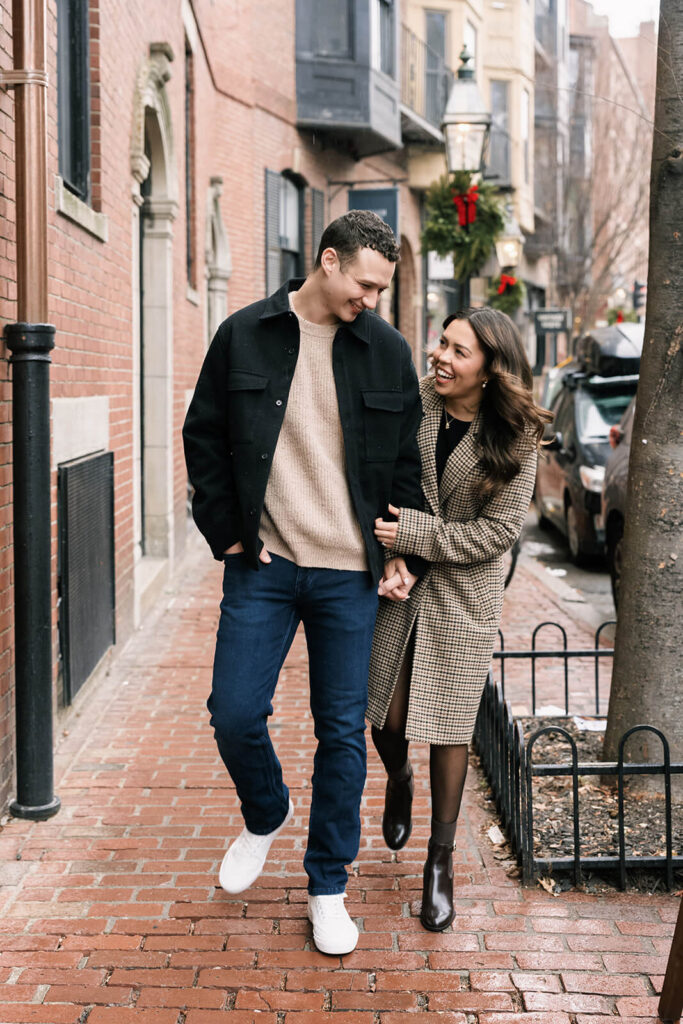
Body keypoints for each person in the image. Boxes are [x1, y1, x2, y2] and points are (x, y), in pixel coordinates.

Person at [182, 210, 423, 956]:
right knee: (233, 713)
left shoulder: (386, 352)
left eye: (382, 287)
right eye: (365, 282)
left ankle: (328, 887)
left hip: (348, 571)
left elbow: (405, 462)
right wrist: (224, 529)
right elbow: (204, 436)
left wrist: (398, 549)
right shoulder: (244, 333)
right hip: (265, 563)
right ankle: (265, 811)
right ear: (327, 262)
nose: (373, 299)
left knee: (340, 733)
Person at [368, 307, 552, 932]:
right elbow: (389, 478)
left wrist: (417, 533)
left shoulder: (516, 439)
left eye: (458, 351)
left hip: (464, 596)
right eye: (441, 343)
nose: (440, 357)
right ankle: (398, 777)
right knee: (386, 717)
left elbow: (497, 533)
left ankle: (439, 862)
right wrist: (396, 550)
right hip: (400, 585)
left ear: (491, 370)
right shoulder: (415, 401)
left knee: (449, 729)